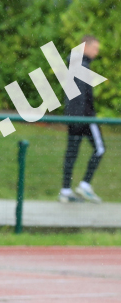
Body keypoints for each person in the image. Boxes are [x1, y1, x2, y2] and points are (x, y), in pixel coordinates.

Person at [60, 35, 103, 204]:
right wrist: (87, 117)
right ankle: (84, 185)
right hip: (84, 118)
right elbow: (84, 98)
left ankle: (65, 191)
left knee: (72, 152)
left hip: (73, 116)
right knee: (100, 149)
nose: (96, 52)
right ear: (85, 47)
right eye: (95, 48)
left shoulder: (74, 63)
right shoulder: (81, 66)